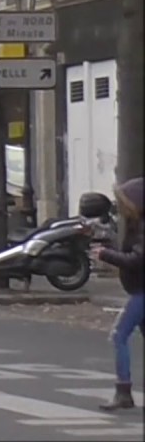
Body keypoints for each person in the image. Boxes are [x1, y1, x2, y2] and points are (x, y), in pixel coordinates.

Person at [93, 176, 143, 411]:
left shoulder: (142, 227)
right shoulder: (137, 225)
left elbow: (137, 260)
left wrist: (106, 255)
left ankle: (123, 391)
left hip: (141, 291)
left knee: (119, 335)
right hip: (139, 289)